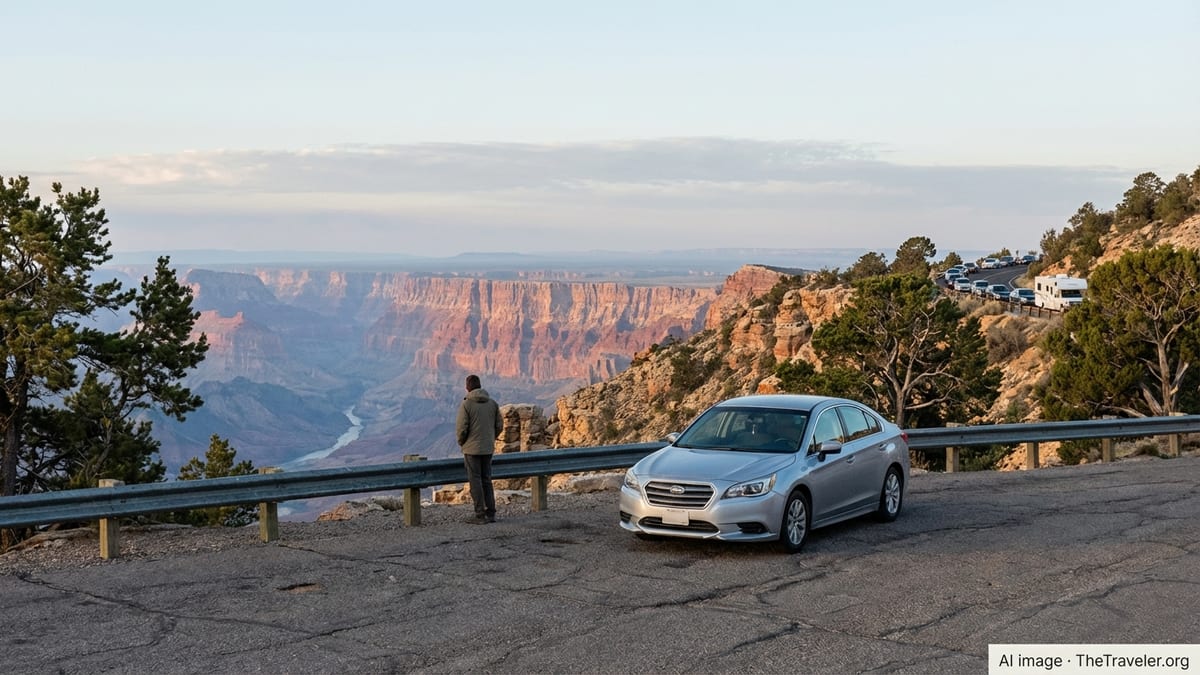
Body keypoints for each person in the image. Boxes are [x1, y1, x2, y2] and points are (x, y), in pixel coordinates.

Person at [456, 374, 502, 524]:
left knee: (475, 481)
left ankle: (480, 515)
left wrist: (462, 442)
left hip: (472, 450)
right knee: (487, 480)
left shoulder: (466, 404)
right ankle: (491, 514)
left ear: (467, 387)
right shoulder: (493, 404)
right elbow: (499, 426)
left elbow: (462, 428)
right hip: (488, 448)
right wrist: (491, 438)